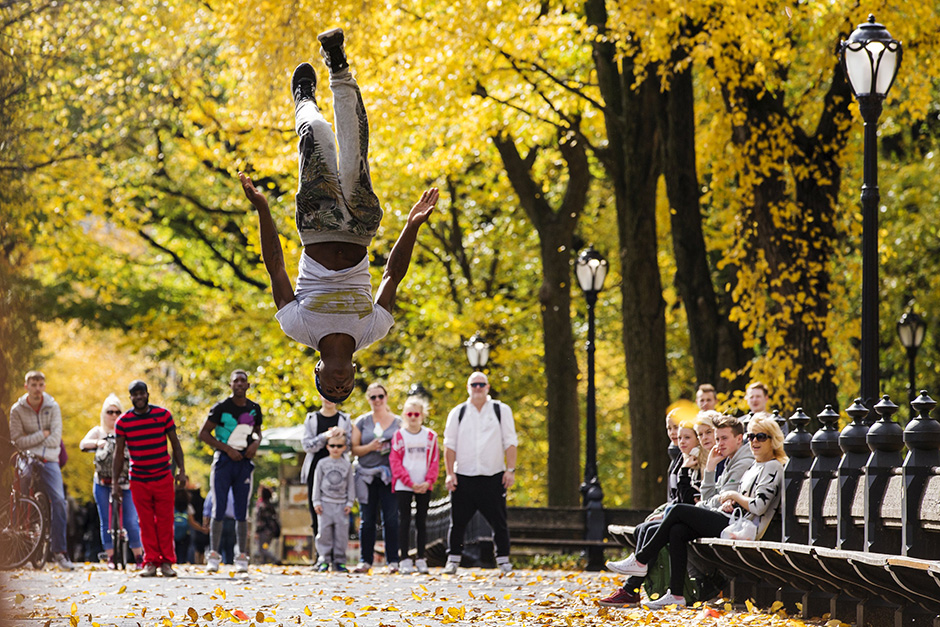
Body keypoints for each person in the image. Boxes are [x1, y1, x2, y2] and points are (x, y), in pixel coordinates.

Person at [237, 27, 438, 405]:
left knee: (316, 134)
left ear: (318, 371)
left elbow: (275, 266)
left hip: (318, 225)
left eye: (330, 388)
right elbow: (393, 273)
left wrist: (263, 209)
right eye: (344, 389)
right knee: (354, 151)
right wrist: (412, 226)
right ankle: (338, 65)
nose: (339, 384)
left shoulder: (297, 327)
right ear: (355, 377)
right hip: (360, 229)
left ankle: (303, 101)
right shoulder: (374, 329)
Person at [606, 414, 785, 609]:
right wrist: (727, 496)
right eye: (752, 437)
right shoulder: (754, 466)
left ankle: (640, 560)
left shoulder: (772, 466)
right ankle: (675, 594)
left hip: (743, 529)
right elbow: (720, 498)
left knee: (676, 511)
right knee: (677, 531)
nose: (755, 442)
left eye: (761, 437)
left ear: (773, 440)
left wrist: (733, 496)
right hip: (733, 520)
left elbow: (759, 506)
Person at [598, 411, 703, 606]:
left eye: (686, 436)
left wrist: (686, 473)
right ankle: (635, 587)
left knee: (666, 530)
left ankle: (633, 581)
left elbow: (689, 500)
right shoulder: (680, 460)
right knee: (643, 528)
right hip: (684, 516)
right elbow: (679, 500)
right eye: (672, 431)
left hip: (698, 519)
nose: (677, 438)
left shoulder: (696, 462)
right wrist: (665, 513)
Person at [442, 372, 518, 575]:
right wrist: (450, 474)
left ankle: (503, 561)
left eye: (481, 384)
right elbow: (449, 445)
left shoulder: (501, 410)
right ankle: (453, 560)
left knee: (499, 522)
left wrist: (510, 470)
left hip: (493, 475)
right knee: (457, 522)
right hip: (464, 476)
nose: (477, 388)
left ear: (488, 387)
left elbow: (510, 441)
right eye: (474, 384)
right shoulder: (458, 412)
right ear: (468, 387)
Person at [112, 380, 188, 577]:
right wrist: (115, 483)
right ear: (131, 397)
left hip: (163, 475)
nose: (138, 397)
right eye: (134, 394)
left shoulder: (163, 415)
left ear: (147, 394)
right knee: (145, 522)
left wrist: (181, 470)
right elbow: (118, 455)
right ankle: (150, 562)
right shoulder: (123, 422)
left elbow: (175, 445)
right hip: (138, 479)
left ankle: (167, 562)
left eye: (141, 393)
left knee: (165, 520)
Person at [198, 369, 263, 574]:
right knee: (219, 507)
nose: (240, 384)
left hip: (244, 463)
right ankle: (214, 555)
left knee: (242, 510)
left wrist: (256, 444)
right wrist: (227, 449)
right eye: (236, 381)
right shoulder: (221, 408)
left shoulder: (255, 408)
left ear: (248, 385)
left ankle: (242, 556)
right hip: (224, 462)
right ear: (230, 385)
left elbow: (257, 432)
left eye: (243, 380)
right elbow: (203, 434)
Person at [9, 371, 74, 570]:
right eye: (33, 384)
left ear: (44, 386)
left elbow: (55, 439)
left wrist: (33, 438)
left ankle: (59, 552)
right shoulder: (17, 410)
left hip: (49, 459)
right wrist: (41, 434)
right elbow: (17, 440)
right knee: (20, 489)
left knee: (59, 501)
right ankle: (16, 538)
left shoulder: (53, 407)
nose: (37, 388)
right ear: (26, 386)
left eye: (40, 384)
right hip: (27, 457)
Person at [79, 393, 143, 568]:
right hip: (102, 483)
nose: (114, 415)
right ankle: (111, 557)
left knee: (131, 520)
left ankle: (138, 556)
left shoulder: (127, 430)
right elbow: (83, 444)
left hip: (126, 483)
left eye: (117, 412)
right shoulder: (98, 431)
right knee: (106, 521)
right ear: (104, 413)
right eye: (110, 412)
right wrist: (99, 442)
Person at [350, 382, 401, 573]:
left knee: (391, 518)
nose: (377, 400)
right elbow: (353, 448)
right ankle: (365, 561)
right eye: (373, 397)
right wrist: (370, 447)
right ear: (368, 400)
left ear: (386, 397)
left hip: (390, 476)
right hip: (366, 475)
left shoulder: (398, 422)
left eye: (380, 396)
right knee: (367, 519)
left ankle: (393, 561)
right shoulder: (362, 421)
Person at [389, 396, 440, 574]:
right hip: (404, 484)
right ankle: (404, 558)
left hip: (424, 484)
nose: (412, 417)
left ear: (422, 415)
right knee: (403, 521)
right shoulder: (399, 435)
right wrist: (409, 482)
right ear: (404, 415)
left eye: (416, 414)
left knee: (422, 522)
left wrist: (428, 481)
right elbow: (395, 462)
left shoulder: (431, 436)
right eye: (409, 414)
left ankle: (421, 558)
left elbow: (434, 461)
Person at [301, 396, 352, 537]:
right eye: (325, 393)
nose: (329, 398)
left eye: (332, 393)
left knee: (340, 515)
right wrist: (325, 436)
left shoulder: (344, 419)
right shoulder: (311, 418)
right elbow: (307, 446)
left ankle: (337, 555)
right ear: (319, 395)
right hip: (315, 470)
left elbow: (349, 447)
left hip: (339, 472)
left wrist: (341, 436)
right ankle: (320, 555)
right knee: (316, 510)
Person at [312, 432, 355, 572]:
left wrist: (350, 502)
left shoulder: (347, 465)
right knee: (324, 533)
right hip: (325, 503)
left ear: (344, 447)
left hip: (341, 504)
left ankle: (340, 561)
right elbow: (316, 483)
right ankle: (323, 560)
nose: (335, 448)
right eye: (332, 445)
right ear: (327, 446)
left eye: (339, 446)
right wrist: (316, 501)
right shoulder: (322, 463)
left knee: (341, 535)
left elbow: (350, 485)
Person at [253, 485, 281, 565]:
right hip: (271, 530)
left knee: (262, 549)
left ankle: (275, 559)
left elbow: (259, 520)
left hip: (264, 531)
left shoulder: (261, 506)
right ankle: (263, 562)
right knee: (264, 547)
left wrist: (257, 532)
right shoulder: (271, 505)